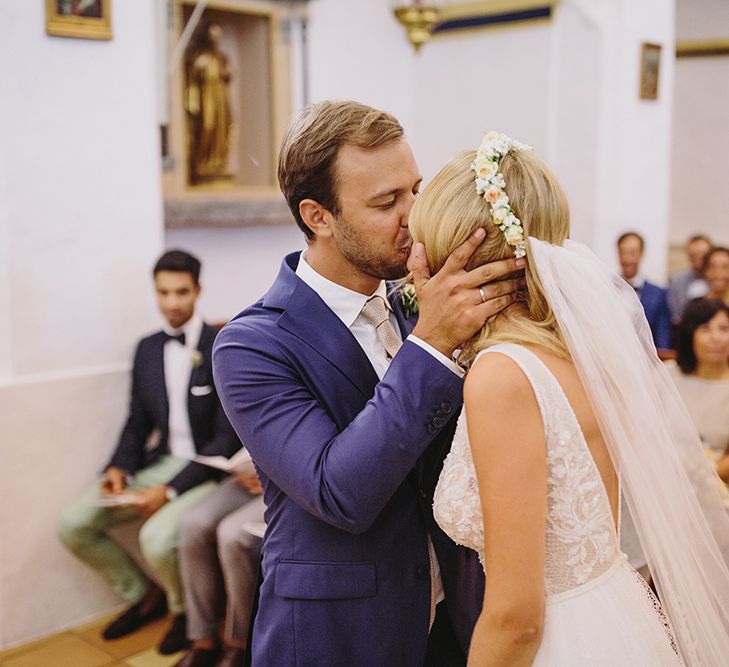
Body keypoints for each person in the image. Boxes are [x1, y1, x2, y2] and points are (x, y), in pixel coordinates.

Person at [212, 101, 525, 666]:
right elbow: (340, 493)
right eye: (387, 202)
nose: (415, 214)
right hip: (338, 635)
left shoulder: (420, 300)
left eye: (416, 188)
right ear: (318, 216)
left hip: (450, 622)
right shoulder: (252, 345)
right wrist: (431, 344)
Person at [409, 132, 729, 664]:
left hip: (562, 641)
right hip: (611, 613)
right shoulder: (580, 353)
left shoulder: (503, 374)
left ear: (456, 255)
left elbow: (516, 616)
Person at [57, 250, 240, 655]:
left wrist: (170, 491)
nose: (172, 302)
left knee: (157, 539)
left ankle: (182, 613)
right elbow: (137, 421)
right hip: (157, 463)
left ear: (198, 290)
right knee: (73, 524)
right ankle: (143, 596)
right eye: (163, 293)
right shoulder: (146, 349)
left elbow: (226, 440)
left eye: (181, 292)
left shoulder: (222, 344)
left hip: (205, 470)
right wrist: (119, 467)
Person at [174, 471, 266, 667]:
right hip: (249, 475)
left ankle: (241, 644)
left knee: (232, 536)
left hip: (288, 481)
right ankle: (202, 639)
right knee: (192, 523)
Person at [669, 298, 729, 482]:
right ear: (689, 334)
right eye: (705, 329)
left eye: (723, 329)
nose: (715, 338)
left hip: (715, 485)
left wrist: (707, 476)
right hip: (665, 479)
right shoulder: (667, 375)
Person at [185, 22, 233, 184]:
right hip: (206, 98)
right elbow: (192, 82)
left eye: (218, 37)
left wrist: (226, 72)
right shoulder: (199, 59)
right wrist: (192, 101)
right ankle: (203, 163)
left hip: (221, 98)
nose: (216, 40)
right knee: (208, 126)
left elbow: (229, 75)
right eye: (213, 36)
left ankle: (219, 163)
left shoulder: (221, 58)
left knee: (222, 129)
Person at [617, 231, 672, 349]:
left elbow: (662, 333)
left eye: (632, 253)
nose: (627, 259)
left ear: (641, 254)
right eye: (623, 252)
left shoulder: (658, 294)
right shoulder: (608, 289)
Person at [667, 234, 710, 322]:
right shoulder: (676, 280)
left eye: (703, 255)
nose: (698, 259)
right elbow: (674, 314)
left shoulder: (717, 279)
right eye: (694, 255)